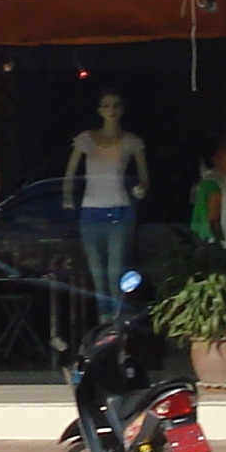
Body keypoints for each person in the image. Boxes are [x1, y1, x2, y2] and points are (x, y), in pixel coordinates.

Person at [61, 90, 150, 319]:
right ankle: (105, 325)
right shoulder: (86, 140)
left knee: (114, 274)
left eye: (116, 105)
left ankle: (119, 323)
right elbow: (70, 173)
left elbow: (144, 177)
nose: (111, 110)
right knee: (98, 276)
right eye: (107, 106)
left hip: (120, 211)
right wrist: (67, 195)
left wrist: (141, 188)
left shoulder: (131, 142)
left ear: (122, 110)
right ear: (100, 110)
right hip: (91, 213)